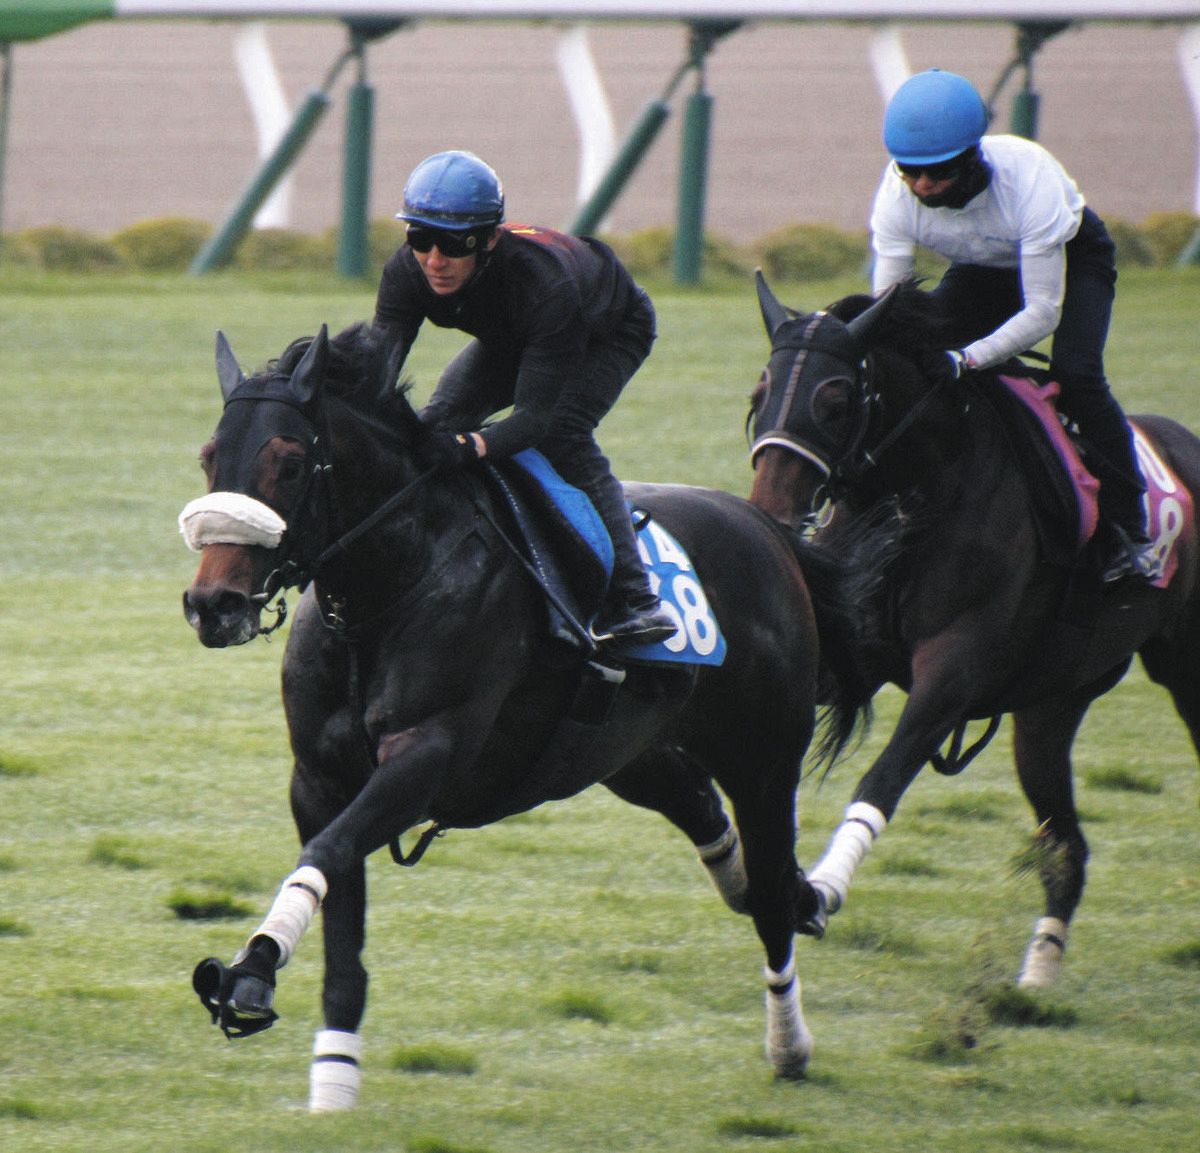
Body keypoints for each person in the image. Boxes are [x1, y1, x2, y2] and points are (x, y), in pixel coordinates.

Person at [373, 149, 677, 643]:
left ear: (490, 239)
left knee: (562, 434)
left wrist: (468, 447)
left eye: (455, 243)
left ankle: (635, 597)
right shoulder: (406, 272)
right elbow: (376, 373)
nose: (435, 260)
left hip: (608, 329)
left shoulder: (543, 284)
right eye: (420, 238)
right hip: (516, 333)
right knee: (436, 423)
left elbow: (534, 420)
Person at [869, 68, 1158, 583]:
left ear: (971, 159)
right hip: (981, 269)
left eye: (937, 172)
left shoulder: (1029, 180)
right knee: (910, 361)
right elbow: (888, 309)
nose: (922, 186)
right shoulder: (895, 198)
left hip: (1072, 259)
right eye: (909, 171)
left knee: (1077, 375)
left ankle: (1130, 529)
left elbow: (1042, 311)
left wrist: (967, 358)